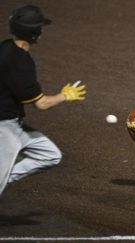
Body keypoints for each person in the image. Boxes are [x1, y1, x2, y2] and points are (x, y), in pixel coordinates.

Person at [0, 5, 86, 195]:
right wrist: (65, 96)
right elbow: (41, 104)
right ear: (34, 33)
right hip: (4, 128)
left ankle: (4, 176)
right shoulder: (21, 63)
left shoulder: (5, 47)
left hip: (14, 126)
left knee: (49, 155)